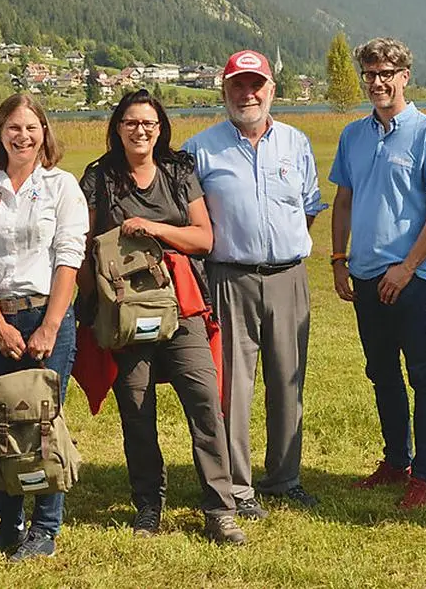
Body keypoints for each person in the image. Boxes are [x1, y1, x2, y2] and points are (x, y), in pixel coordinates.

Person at [77, 89, 245, 545]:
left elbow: (203, 238)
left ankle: (219, 508)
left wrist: (153, 229)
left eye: (149, 123)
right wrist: (89, 310)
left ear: (160, 127)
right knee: (136, 410)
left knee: (206, 404)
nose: (140, 130)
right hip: (125, 315)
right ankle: (148, 506)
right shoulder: (99, 177)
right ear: (117, 127)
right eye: (131, 122)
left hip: (183, 307)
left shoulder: (177, 170)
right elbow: (83, 245)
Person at [182, 51, 327, 520]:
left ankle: (285, 478)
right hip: (229, 278)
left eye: (256, 85)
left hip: (287, 276)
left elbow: (307, 206)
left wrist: (280, 246)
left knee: (288, 381)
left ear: (272, 90)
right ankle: (237, 488)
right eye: (238, 86)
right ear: (224, 91)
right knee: (232, 389)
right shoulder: (199, 149)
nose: (248, 94)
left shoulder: (296, 142)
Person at [0, 93, 88, 561]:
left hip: (46, 315)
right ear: (0, 133)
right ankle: (9, 522)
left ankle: (45, 527)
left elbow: (69, 256)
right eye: (13, 127)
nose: (22, 136)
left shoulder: (61, 186)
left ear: (44, 133)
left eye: (31, 127)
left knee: (43, 422)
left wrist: (50, 326)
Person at [329, 37, 426, 509]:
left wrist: (407, 268)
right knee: (381, 372)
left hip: (410, 278)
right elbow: (344, 200)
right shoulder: (353, 135)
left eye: (387, 73)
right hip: (363, 275)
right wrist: (338, 261)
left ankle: (424, 475)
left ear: (405, 75)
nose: (378, 82)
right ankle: (395, 461)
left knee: (421, 372)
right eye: (370, 74)